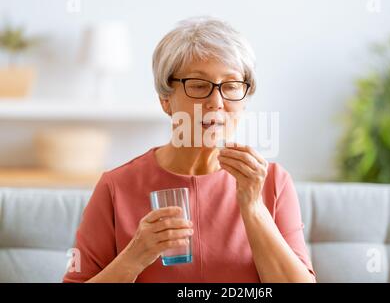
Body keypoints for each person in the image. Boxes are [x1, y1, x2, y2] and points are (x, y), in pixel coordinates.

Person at [62, 17, 315, 283]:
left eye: (230, 86)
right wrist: (133, 257)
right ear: (165, 100)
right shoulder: (116, 187)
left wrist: (253, 208)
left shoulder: (272, 182)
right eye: (197, 85)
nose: (216, 101)